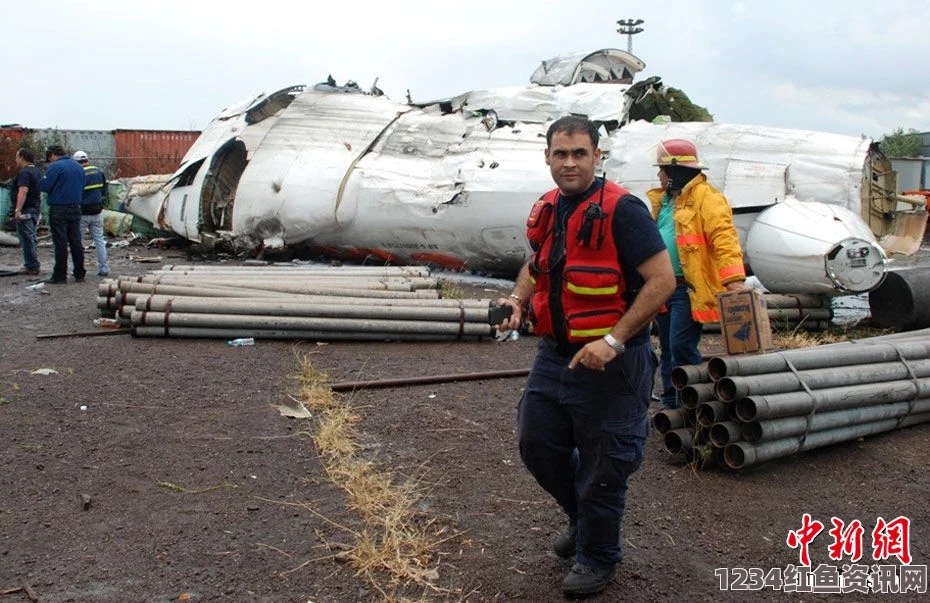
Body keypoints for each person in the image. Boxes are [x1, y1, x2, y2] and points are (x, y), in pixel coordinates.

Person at [495, 116, 675, 596]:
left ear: (597, 156)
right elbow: (535, 266)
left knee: (605, 463)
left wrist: (613, 340)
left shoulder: (624, 210)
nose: (569, 162)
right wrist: (515, 300)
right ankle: (583, 520)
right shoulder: (549, 208)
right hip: (556, 354)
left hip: (615, 361)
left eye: (579, 153)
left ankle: (598, 556)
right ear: (548, 157)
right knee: (537, 442)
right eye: (561, 153)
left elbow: (663, 281)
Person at [646, 139, 746, 409]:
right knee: (666, 347)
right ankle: (672, 404)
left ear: (675, 171)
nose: (658, 175)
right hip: (662, 287)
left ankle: (691, 404)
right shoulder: (663, 202)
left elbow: (724, 240)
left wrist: (734, 282)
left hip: (688, 289)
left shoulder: (707, 198)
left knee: (680, 346)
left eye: (662, 169)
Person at [39, 145, 86, 284]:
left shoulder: (55, 167)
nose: (50, 160)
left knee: (60, 243)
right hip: (75, 208)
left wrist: (42, 179)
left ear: (52, 154)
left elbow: (44, 186)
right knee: (76, 242)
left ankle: (60, 275)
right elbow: (82, 186)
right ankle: (79, 273)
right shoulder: (78, 167)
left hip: (59, 209)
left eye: (49, 157)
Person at [73, 151, 110, 276]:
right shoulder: (98, 172)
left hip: (82, 212)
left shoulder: (79, 174)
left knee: (78, 242)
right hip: (97, 211)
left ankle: (78, 269)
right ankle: (104, 268)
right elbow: (104, 191)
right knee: (99, 240)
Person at [11, 148, 42, 275]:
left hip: (26, 209)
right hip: (35, 208)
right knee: (31, 236)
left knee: (26, 237)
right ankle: (31, 264)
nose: (16, 159)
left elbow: (23, 191)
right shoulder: (37, 171)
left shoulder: (25, 173)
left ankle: (32, 265)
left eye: (17, 157)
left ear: (22, 157)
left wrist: (18, 209)